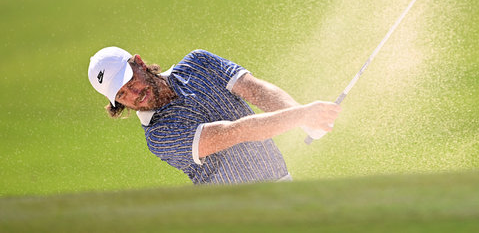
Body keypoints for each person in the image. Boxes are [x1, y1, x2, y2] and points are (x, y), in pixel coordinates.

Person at [88, 46, 341, 185]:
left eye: (130, 80)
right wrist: (300, 116)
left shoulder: (199, 63)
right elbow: (236, 132)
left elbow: (256, 91)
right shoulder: (159, 135)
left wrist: (304, 117)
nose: (133, 94)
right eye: (122, 94)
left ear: (140, 63)